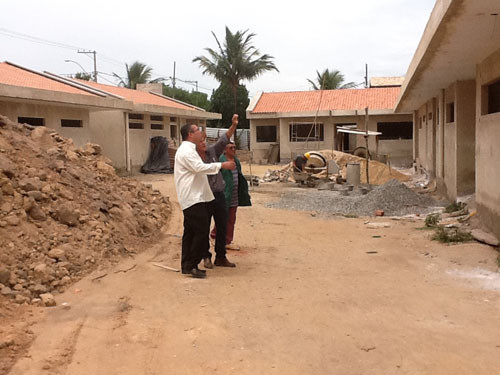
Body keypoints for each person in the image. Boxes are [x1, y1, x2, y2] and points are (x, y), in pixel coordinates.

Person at [174, 123, 235, 278]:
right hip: (192, 197)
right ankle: (192, 264)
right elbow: (199, 167)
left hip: (196, 197)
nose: (201, 133)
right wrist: (222, 164)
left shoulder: (190, 149)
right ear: (190, 134)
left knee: (190, 232)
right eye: (197, 130)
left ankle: (187, 265)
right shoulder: (186, 151)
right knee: (201, 230)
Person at [196, 114, 239, 269]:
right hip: (204, 196)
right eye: (201, 141)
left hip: (218, 195)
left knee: (222, 225)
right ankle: (205, 256)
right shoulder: (193, 158)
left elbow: (224, 139)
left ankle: (220, 256)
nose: (204, 143)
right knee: (204, 227)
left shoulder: (212, 152)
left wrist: (233, 125)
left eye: (204, 140)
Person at [210, 141, 251, 250]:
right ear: (225, 149)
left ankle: (225, 239)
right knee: (222, 218)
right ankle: (219, 238)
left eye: (234, 147)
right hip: (224, 194)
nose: (233, 150)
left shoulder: (236, 161)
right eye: (231, 148)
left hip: (234, 194)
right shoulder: (221, 161)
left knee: (231, 218)